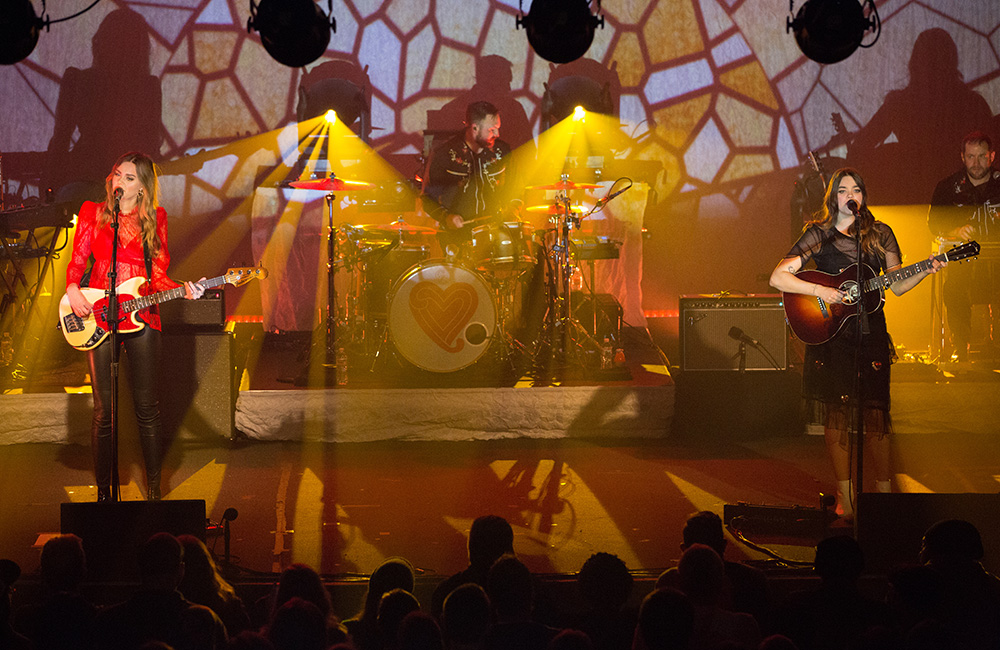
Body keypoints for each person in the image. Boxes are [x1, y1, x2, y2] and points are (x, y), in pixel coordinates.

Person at [769, 168, 944, 517]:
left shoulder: (880, 235)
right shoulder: (818, 235)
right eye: (844, 190)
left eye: (857, 190)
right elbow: (779, 277)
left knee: (876, 414)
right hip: (831, 336)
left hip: (871, 334)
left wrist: (925, 270)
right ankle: (845, 499)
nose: (852, 195)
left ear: (864, 196)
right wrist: (822, 291)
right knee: (836, 416)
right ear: (833, 197)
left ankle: (882, 495)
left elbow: (895, 284)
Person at [64, 151, 205, 502]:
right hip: (97, 313)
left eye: (129, 177)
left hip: (143, 314)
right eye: (116, 174)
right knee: (103, 409)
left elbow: (157, 274)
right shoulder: (91, 213)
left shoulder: (156, 218)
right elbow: (77, 261)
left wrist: (183, 291)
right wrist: (72, 291)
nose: (119, 182)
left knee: (147, 407)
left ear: (143, 187)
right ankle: (102, 494)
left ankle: (155, 489)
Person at [928, 131, 1000, 362]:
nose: (976, 163)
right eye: (971, 157)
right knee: (954, 291)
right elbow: (934, 224)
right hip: (963, 259)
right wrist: (955, 231)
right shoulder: (947, 187)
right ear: (962, 157)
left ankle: (997, 345)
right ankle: (961, 347)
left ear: (992, 156)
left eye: (981, 156)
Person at [422, 101, 518, 249]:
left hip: (494, 233)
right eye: (492, 130)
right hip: (457, 238)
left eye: (498, 129)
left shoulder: (503, 151)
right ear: (474, 128)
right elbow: (427, 197)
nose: (497, 134)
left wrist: (512, 210)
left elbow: (516, 187)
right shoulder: (446, 154)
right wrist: (446, 217)